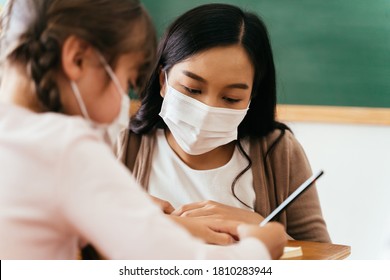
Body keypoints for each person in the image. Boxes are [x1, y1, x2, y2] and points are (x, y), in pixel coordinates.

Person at [0, 0, 287, 259]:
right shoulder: (66, 147)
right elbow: (186, 266)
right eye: (126, 81)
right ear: (77, 59)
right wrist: (260, 247)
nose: (123, 100)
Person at [119, 3, 331, 243]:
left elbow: (322, 258)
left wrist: (259, 227)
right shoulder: (121, 145)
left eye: (231, 98)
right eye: (192, 89)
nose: (207, 110)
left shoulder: (278, 151)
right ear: (163, 80)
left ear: (252, 97)